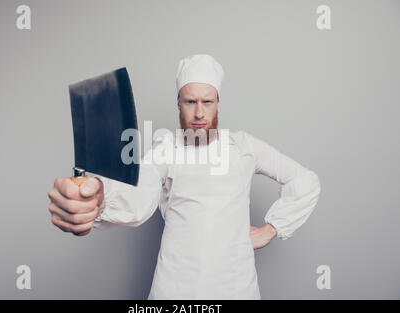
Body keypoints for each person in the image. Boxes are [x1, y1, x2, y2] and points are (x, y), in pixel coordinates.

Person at [47, 54, 321, 299]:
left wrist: (272, 228)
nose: (199, 113)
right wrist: (99, 198)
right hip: (174, 290)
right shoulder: (166, 148)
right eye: (190, 101)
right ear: (178, 103)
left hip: (236, 288)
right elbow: (140, 196)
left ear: (218, 103)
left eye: (207, 102)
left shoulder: (243, 147)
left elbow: (305, 180)